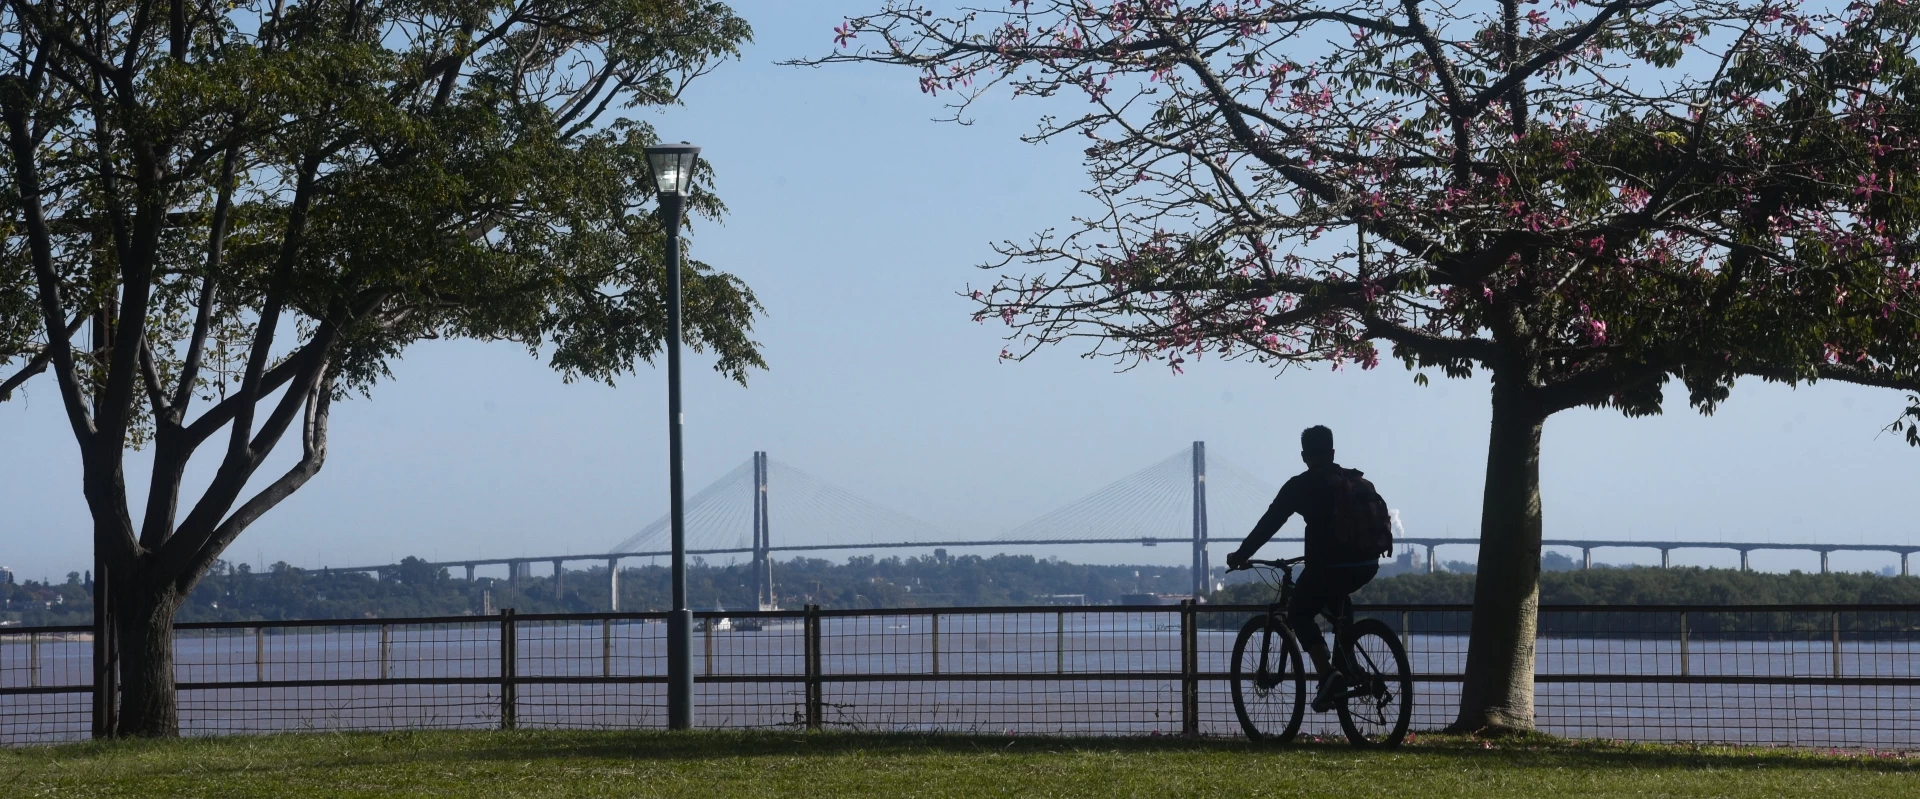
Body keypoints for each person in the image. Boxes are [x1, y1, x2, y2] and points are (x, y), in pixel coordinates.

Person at [1224, 425, 1381, 711]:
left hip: (1329, 565)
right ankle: (1349, 665)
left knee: (1298, 612)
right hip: (1368, 564)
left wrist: (1240, 555)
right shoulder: (1354, 480)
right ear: (1332, 452)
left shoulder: (1301, 485)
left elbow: (1268, 525)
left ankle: (1328, 674)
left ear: (1304, 455)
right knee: (1339, 599)